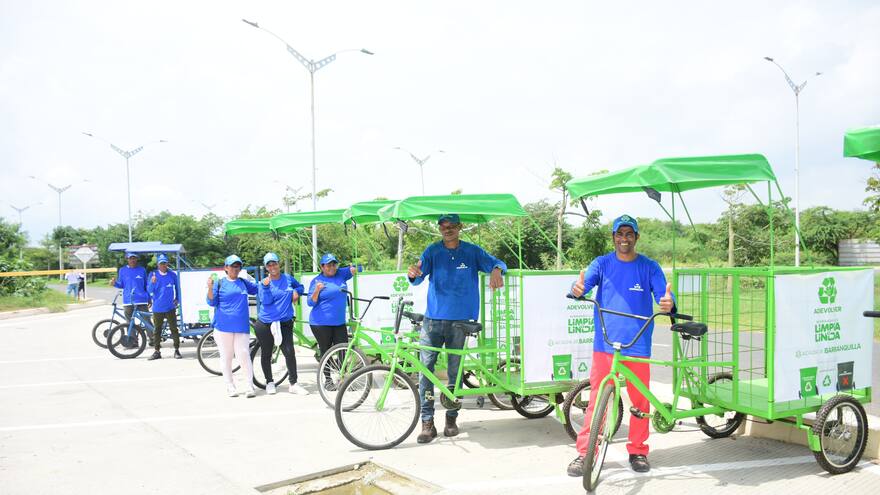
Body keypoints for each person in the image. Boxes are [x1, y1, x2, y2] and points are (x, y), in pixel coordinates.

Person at [566, 214, 674, 476]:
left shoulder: (649, 267)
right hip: (605, 343)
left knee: (639, 401)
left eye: (629, 234)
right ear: (613, 237)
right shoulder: (602, 263)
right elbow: (584, 284)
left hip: (637, 345)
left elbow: (664, 296)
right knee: (597, 400)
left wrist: (668, 304)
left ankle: (638, 450)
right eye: (619, 234)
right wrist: (578, 288)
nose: (624, 239)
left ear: (636, 237)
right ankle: (584, 454)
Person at [407, 213, 507, 444]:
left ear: (460, 227)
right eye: (443, 227)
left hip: (460, 323)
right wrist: (412, 274)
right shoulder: (432, 251)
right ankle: (427, 422)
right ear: (439, 229)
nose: (447, 230)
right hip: (432, 321)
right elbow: (418, 277)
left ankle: (451, 418)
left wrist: (496, 270)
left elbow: (498, 262)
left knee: (455, 373)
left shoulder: (472, 251)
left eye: (452, 226)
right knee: (426, 371)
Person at [206, 255, 259, 398]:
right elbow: (211, 302)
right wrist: (210, 288)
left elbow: (258, 289)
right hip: (223, 327)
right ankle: (230, 386)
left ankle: (249, 385)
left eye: (238, 266)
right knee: (227, 357)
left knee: (243, 355)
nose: (235, 269)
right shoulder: (220, 283)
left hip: (241, 326)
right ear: (226, 268)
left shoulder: (243, 282)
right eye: (232, 266)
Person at [256, 252, 306, 395]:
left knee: (289, 352)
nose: (272, 266)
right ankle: (269, 382)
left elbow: (301, 287)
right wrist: (265, 288)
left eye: (274, 263)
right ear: (266, 267)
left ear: (279, 264)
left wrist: (297, 291)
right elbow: (266, 301)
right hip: (266, 323)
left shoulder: (288, 278)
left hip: (284, 322)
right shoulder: (263, 283)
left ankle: (293, 383)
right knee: (266, 353)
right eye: (269, 264)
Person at [307, 253, 358, 391]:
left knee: (343, 350)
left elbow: (358, 268)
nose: (331, 267)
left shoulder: (340, 274)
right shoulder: (317, 281)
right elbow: (310, 302)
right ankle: (328, 380)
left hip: (339, 322)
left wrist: (355, 268)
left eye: (333, 264)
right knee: (326, 351)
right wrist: (317, 290)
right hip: (320, 323)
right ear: (322, 267)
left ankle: (343, 379)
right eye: (328, 265)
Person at [110, 252, 150, 346]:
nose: (132, 260)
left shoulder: (142, 270)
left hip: (141, 299)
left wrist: (149, 298)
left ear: (137, 259)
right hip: (128, 300)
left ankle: (153, 339)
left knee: (146, 320)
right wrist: (114, 283)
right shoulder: (122, 270)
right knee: (129, 323)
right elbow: (121, 285)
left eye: (134, 258)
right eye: (130, 258)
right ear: (127, 259)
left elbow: (147, 285)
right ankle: (133, 342)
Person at [146, 254, 182, 360]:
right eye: (161, 263)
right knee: (157, 330)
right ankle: (157, 351)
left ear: (167, 263)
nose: (163, 265)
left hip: (170, 307)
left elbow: (178, 287)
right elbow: (149, 291)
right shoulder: (153, 275)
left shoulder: (172, 275)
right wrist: (152, 283)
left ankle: (177, 350)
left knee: (174, 329)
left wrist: (177, 299)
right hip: (157, 308)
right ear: (158, 264)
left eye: (165, 263)